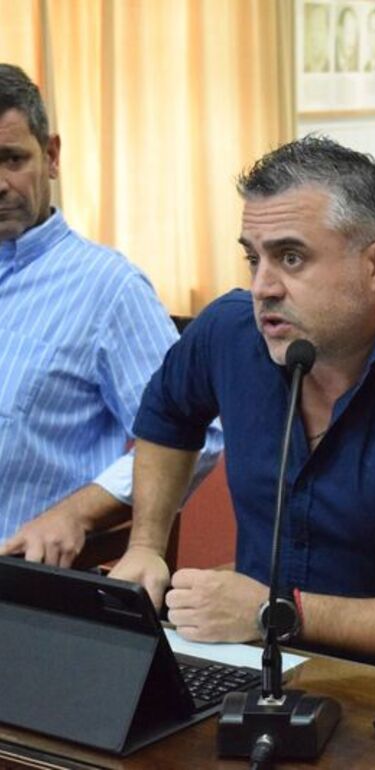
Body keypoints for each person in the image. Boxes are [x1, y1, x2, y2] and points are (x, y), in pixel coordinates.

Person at [109, 136, 375, 676]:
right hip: (251, 657)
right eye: (253, 258)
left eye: (291, 258)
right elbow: (168, 415)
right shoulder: (228, 332)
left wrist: (274, 613)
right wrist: (146, 544)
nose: (262, 287)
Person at [0, 63, 221, 566]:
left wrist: (76, 514)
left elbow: (197, 435)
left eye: (12, 159)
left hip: (25, 584)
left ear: (51, 156)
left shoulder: (109, 289)